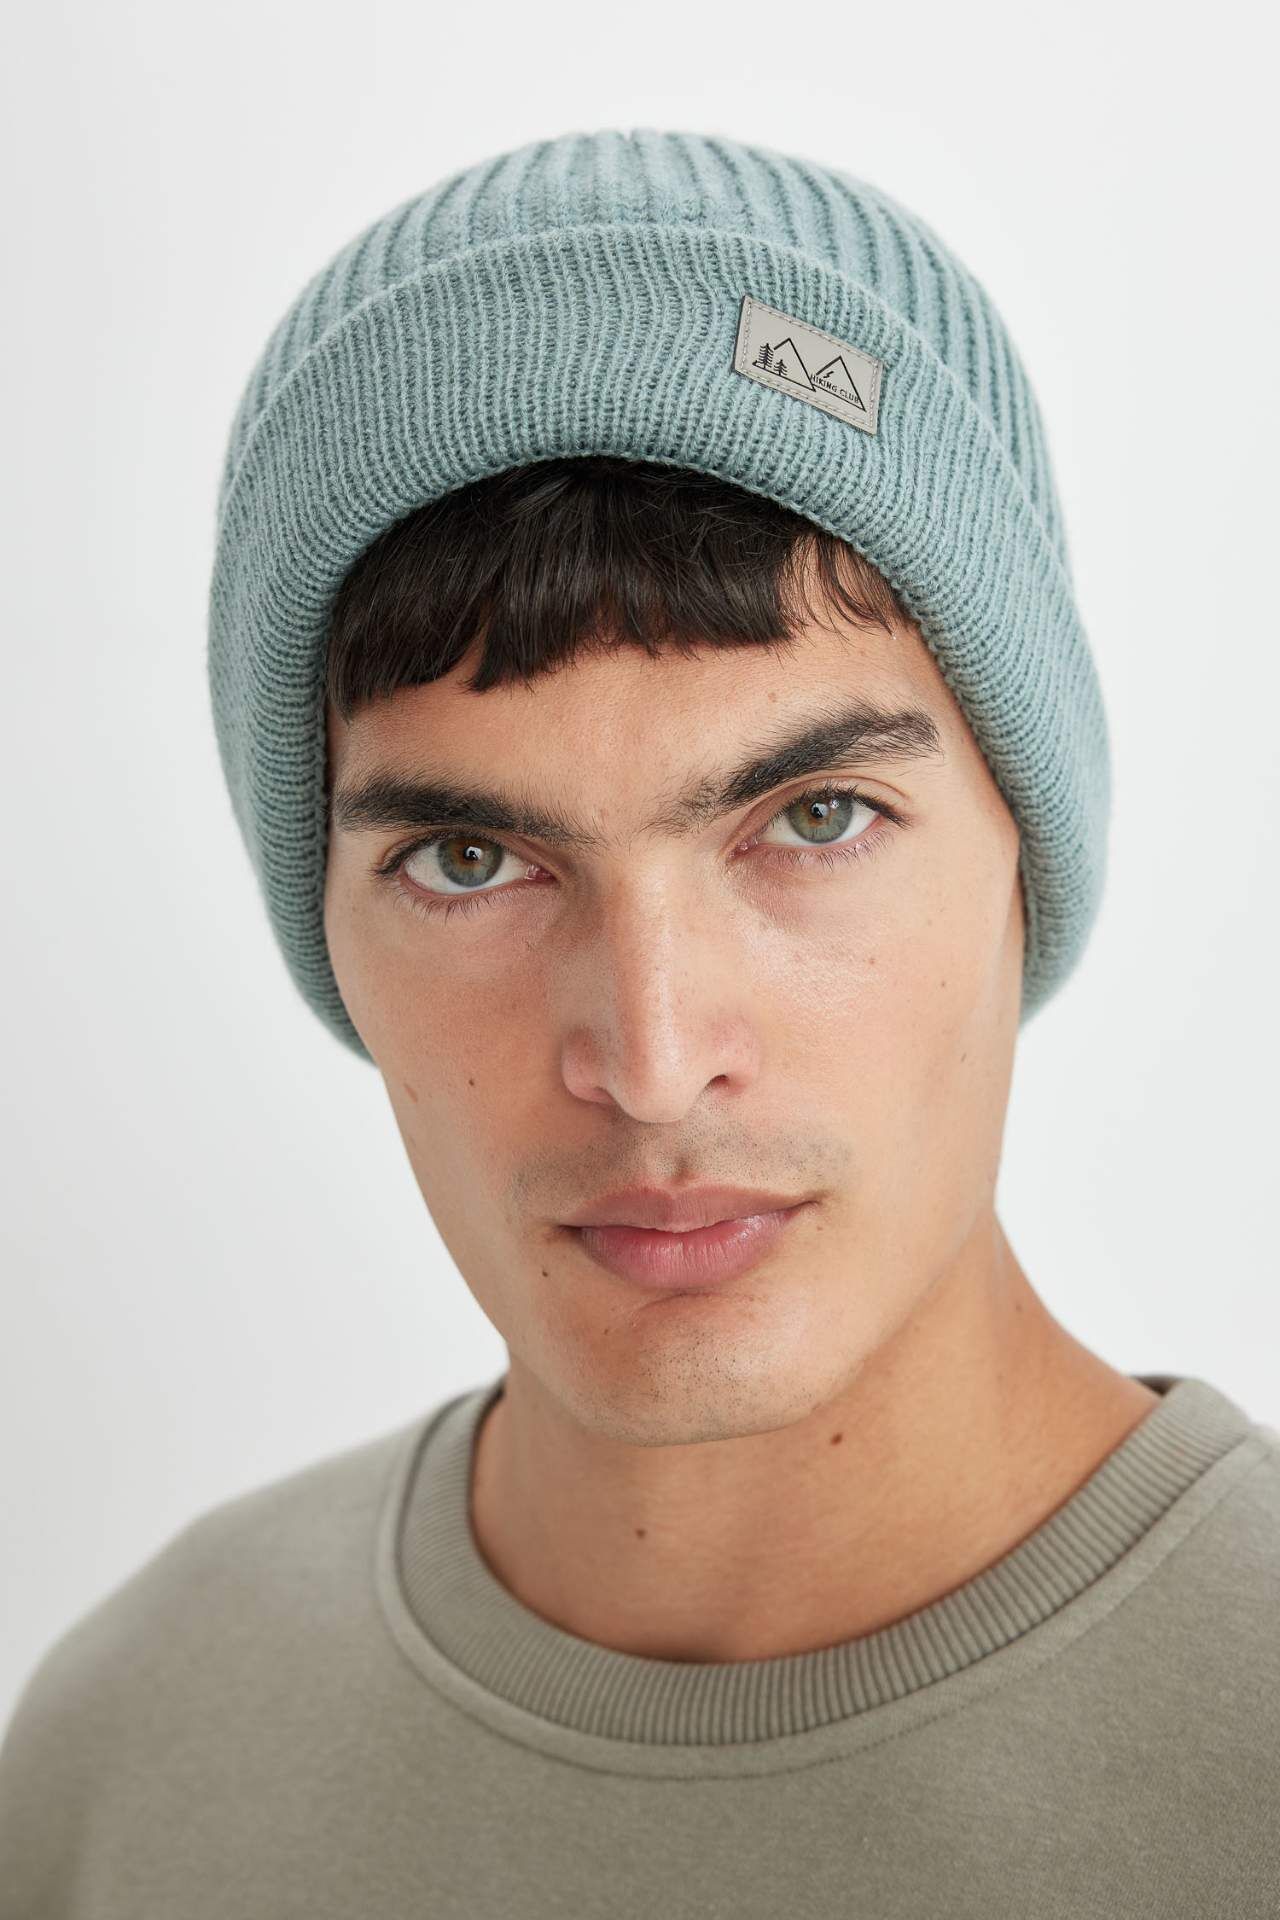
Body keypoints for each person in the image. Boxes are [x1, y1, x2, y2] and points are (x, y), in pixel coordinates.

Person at [2, 126, 1277, 1917]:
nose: (657, 1062)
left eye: (814, 820)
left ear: (1026, 851)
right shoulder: (137, 1751)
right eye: (469, 860)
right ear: (326, 935)